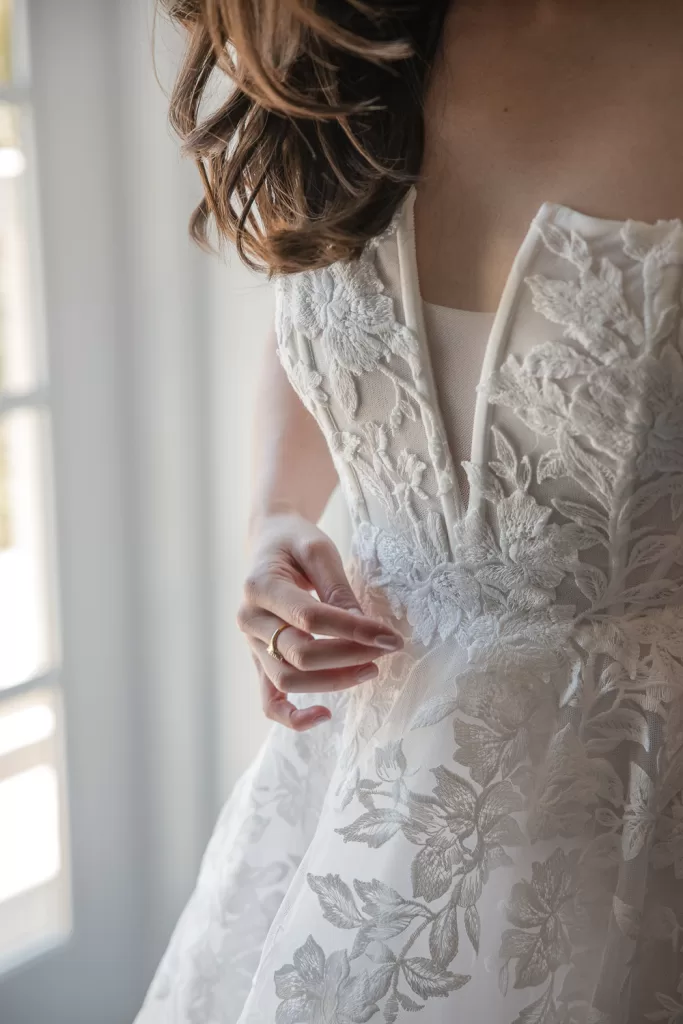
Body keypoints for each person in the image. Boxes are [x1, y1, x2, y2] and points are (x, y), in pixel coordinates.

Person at [135, 2, 683, 1021]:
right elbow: (320, 301)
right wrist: (273, 520)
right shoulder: (334, 37)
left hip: (637, 821)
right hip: (356, 797)